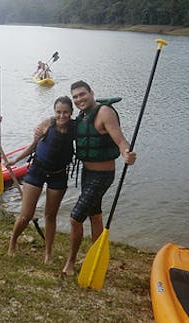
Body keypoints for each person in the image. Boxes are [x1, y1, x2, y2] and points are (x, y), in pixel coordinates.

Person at [62, 80, 137, 276]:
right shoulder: (83, 115)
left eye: (82, 94)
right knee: (95, 216)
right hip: (87, 174)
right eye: (75, 97)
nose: (79, 99)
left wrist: (127, 153)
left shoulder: (104, 112)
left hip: (102, 175)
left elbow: (120, 140)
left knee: (75, 218)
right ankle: (95, 256)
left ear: (91, 92)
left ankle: (70, 262)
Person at [7, 96, 75, 263]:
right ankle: (12, 242)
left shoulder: (75, 127)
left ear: (71, 113)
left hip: (59, 174)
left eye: (66, 112)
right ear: (54, 112)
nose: (62, 116)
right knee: (26, 215)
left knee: (50, 215)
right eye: (58, 112)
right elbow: (33, 146)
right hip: (37, 170)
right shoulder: (48, 123)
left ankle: (48, 253)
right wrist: (15, 160)